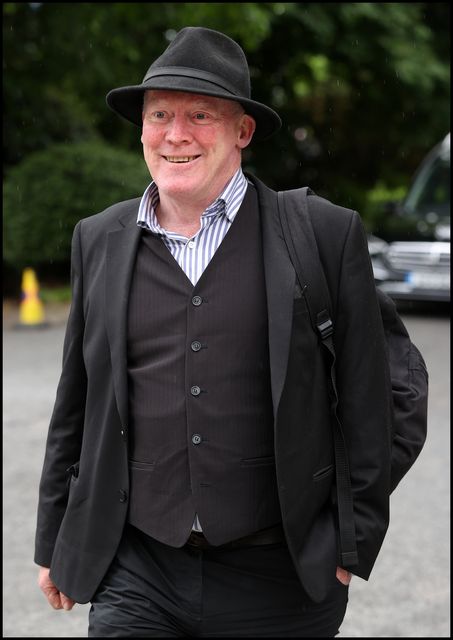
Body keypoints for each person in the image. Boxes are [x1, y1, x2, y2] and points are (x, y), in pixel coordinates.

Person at [35, 26, 392, 637]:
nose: (176, 134)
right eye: (160, 115)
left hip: (278, 578)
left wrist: (350, 537)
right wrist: (54, 538)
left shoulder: (323, 234)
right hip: (138, 569)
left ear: (242, 131)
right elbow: (78, 402)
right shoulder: (98, 239)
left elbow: (370, 400)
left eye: (201, 114)